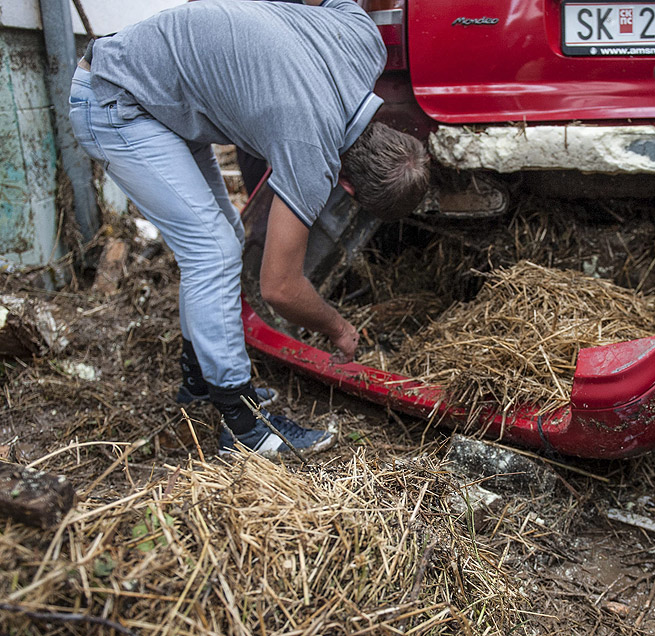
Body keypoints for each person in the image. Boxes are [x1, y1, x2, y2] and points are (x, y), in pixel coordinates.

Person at [68, 0, 430, 457]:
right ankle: (242, 425)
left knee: (224, 240)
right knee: (213, 250)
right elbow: (279, 287)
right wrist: (338, 328)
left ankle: (198, 380)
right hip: (116, 101)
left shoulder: (365, 41)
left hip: (158, 91)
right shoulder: (310, 148)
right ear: (348, 189)